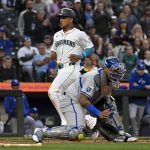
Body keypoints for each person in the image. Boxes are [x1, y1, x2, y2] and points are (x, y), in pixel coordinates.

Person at [32, 56, 137, 142]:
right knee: (77, 132)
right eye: (114, 70)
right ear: (106, 69)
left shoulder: (111, 80)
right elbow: (83, 100)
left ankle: (120, 134)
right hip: (71, 100)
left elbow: (103, 101)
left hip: (87, 101)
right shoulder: (94, 77)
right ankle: (42, 131)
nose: (117, 73)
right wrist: (98, 113)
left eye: (118, 70)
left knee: (110, 102)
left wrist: (101, 121)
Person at [48, 8, 95, 126]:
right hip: (61, 69)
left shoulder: (79, 34)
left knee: (52, 92)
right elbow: (53, 53)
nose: (61, 20)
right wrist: (51, 55)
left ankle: (66, 121)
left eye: (63, 17)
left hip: (72, 68)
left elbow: (91, 48)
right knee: (68, 100)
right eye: (60, 18)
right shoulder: (57, 35)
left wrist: (81, 55)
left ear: (71, 19)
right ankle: (89, 119)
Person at [128, 61, 150, 137]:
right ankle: (135, 134)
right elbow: (131, 87)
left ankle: (136, 135)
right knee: (132, 117)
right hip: (133, 101)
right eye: (140, 69)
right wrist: (144, 86)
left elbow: (149, 87)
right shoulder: (133, 75)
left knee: (138, 120)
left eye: (142, 69)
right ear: (137, 69)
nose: (141, 71)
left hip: (142, 101)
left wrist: (138, 86)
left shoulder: (147, 75)